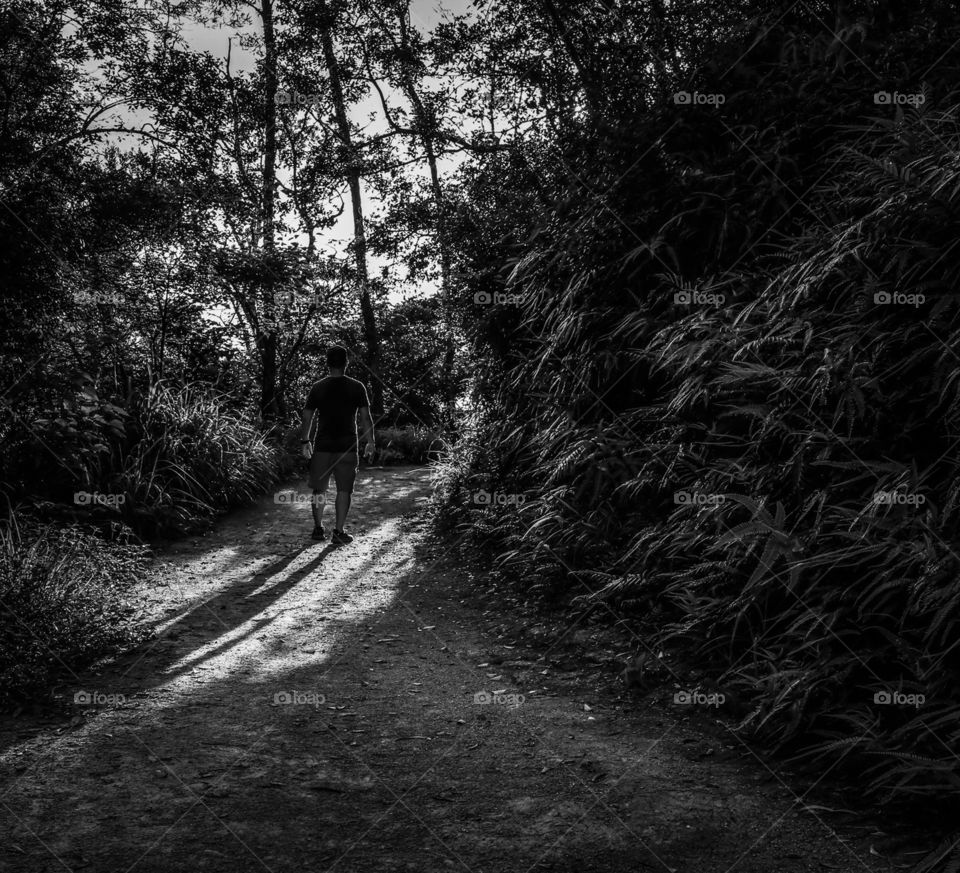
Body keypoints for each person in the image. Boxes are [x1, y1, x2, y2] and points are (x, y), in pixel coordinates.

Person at [299, 346, 375, 544]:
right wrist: (370, 442)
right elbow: (366, 417)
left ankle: (318, 529)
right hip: (347, 447)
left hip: (322, 446)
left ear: (327, 363)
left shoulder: (318, 387)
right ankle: (338, 531)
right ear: (346, 362)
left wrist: (305, 440)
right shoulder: (357, 386)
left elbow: (307, 416)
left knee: (319, 490)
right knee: (344, 490)